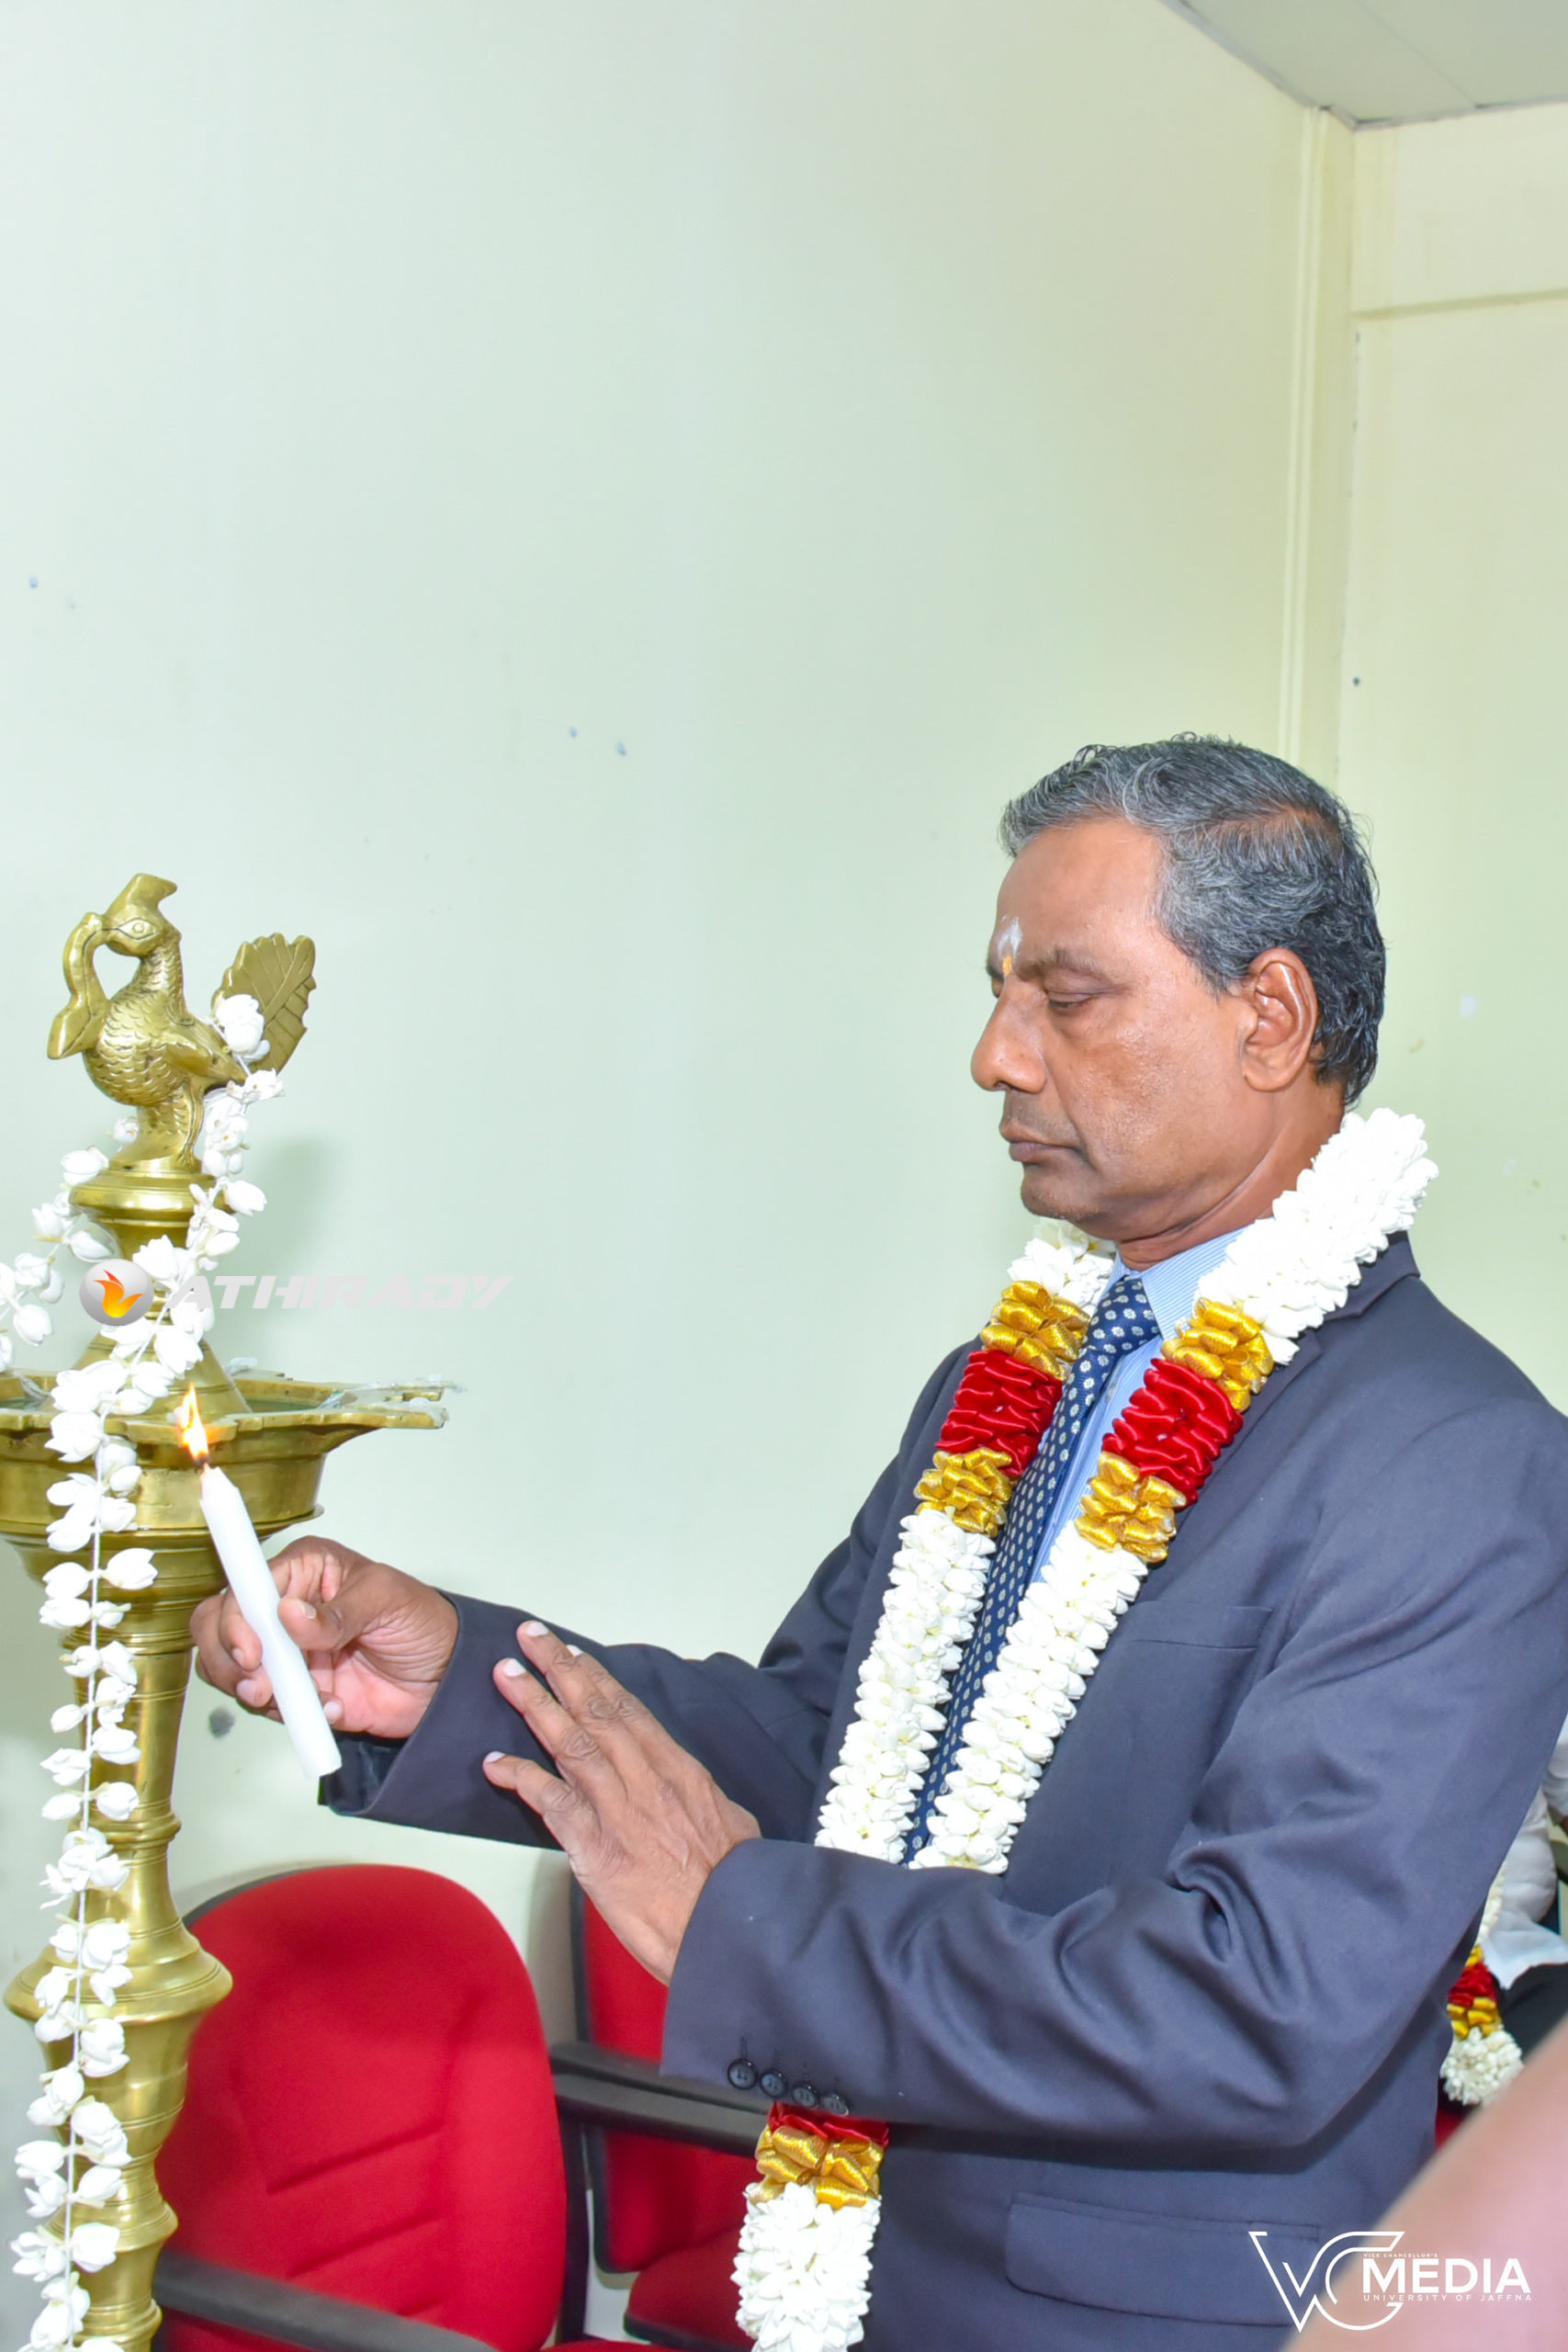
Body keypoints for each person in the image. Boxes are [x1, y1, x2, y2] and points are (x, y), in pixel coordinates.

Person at [193, 738, 1568, 2351]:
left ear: (1268, 1018)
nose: (996, 1056)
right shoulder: (1014, 1381)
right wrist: (456, 1680)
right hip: (865, 2270)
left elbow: (1256, 2002)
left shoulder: (1455, 1461)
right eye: (997, 993)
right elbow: (820, 1745)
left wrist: (738, 1925)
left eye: (1068, 997)